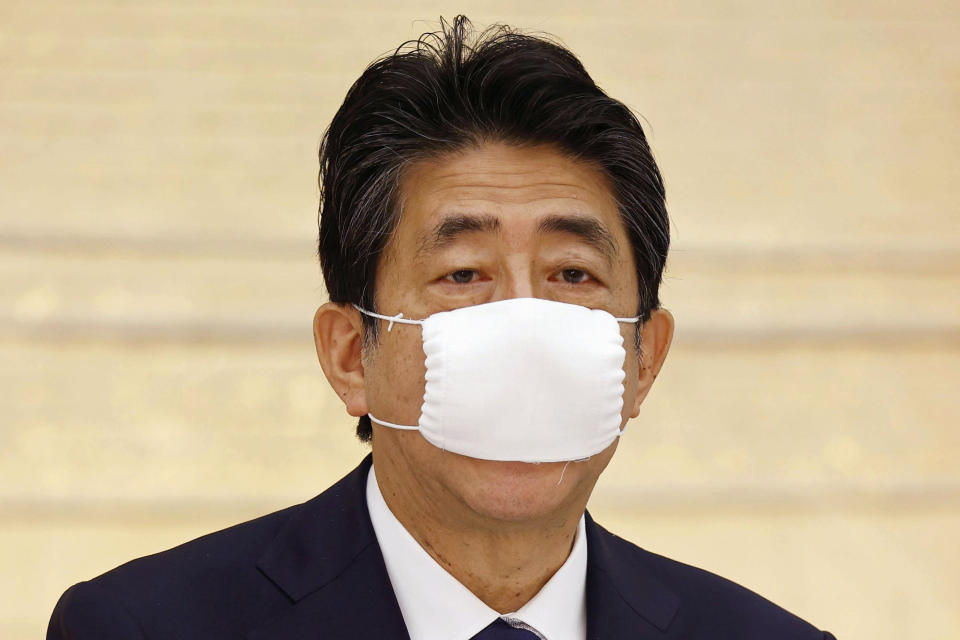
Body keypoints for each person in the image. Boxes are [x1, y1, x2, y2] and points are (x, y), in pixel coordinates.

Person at [47, 16, 836, 640]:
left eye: (572, 275)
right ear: (351, 354)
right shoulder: (145, 627)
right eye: (464, 275)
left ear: (644, 358)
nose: (526, 327)